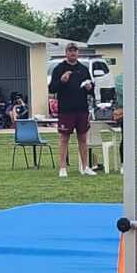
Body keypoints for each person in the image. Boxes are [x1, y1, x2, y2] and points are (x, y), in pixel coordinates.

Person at [48, 42, 95, 177]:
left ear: (78, 53)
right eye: (70, 50)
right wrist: (62, 81)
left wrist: (90, 87)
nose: (73, 53)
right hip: (66, 109)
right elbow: (52, 88)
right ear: (66, 53)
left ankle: (85, 167)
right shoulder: (59, 68)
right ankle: (62, 168)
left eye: (75, 50)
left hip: (82, 109)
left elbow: (91, 89)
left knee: (83, 138)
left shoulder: (83, 69)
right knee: (64, 138)